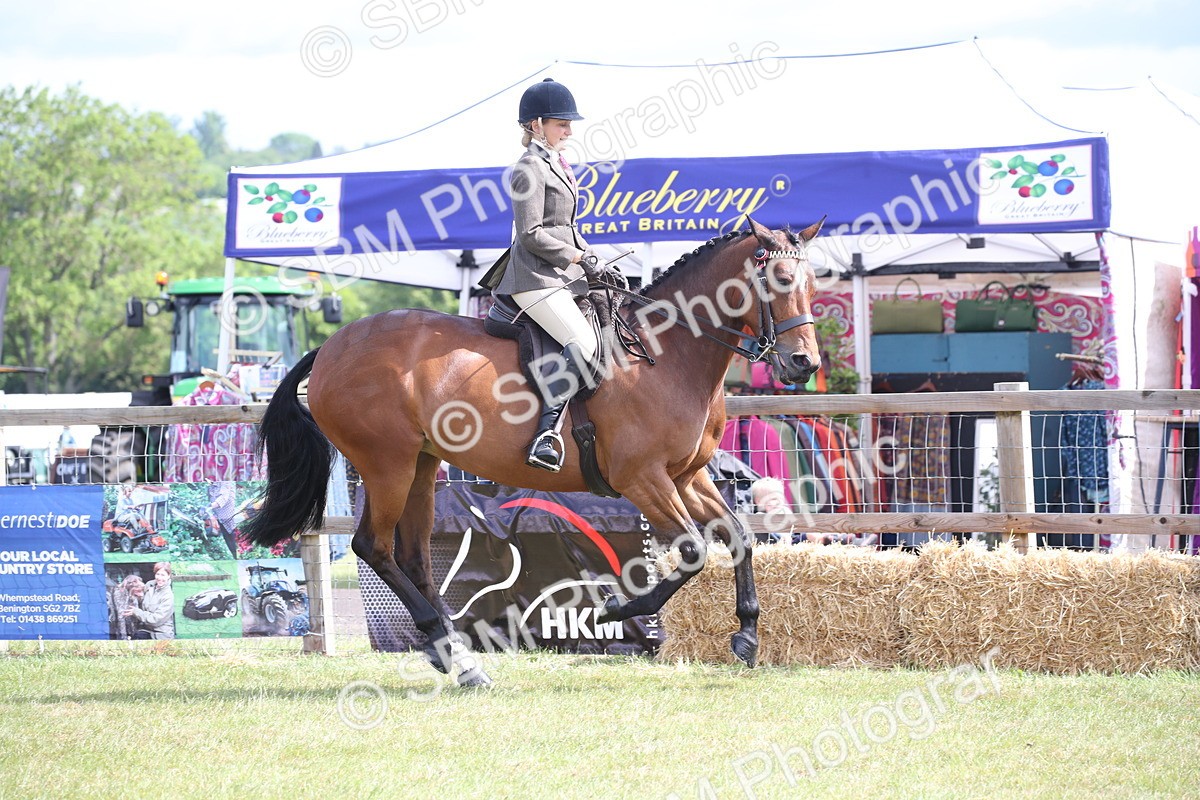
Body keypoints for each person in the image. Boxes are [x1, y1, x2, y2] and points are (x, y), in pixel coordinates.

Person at [494, 78, 606, 473]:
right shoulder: (528, 168)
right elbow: (531, 233)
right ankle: (547, 434)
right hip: (533, 279)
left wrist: (593, 259)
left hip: (560, 276)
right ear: (536, 125)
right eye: (562, 123)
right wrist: (574, 255)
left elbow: (565, 225)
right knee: (583, 340)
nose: (570, 131)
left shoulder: (555, 164)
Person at [122, 562, 175, 639]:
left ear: (168, 576)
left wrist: (136, 612)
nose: (159, 578)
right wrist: (139, 596)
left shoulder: (168, 596)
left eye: (163, 575)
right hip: (146, 629)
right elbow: (144, 603)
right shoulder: (149, 585)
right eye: (158, 574)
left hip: (160, 634)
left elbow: (156, 620)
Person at [204, 482, 239, 558]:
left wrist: (210, 506)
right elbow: (208, 498)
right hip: (220, 518)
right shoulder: (210, 485)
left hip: (229, 518)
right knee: (227, 539)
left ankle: (239, 557)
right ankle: (235, 557)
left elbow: (223, 499)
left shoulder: (225, 482)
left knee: (234, 539)